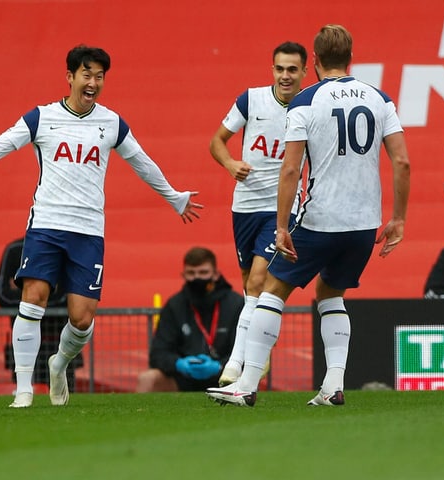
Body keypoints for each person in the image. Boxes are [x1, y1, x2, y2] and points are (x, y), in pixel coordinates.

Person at [0, 45, 203, 408]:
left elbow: (143, 163)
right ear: (69, 77)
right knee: (32, 297)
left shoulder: (112, 123)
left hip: (88, 232)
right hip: (47, 225)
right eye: (87, 74)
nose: (93, 83)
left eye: (99, 77)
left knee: (82, 319)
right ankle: (22, 390)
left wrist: (174, 197)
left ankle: (59, 363)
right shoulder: (42, 118)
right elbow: (0, 146)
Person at [206, 24, 411, 407]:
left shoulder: (306, 101)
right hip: (364, 223)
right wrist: (398, 219)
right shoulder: (379, 98)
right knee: (330, 293)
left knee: (271, 290)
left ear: (313, 62)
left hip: (319, 219)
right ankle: (333, 385)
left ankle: (245, 384)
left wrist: (282, 226)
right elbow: (401, 160)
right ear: (350, 57)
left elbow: (290, 169)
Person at [209, 41, 307, 386]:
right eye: (280, 69)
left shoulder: (310, 107)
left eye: (292, 69)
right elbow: (217, 141)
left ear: (304, 72)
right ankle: (258, 353)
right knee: (252, 286)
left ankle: (237, 364)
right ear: (272, 70)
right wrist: (230, 163)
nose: (285, 76)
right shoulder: (250, 100)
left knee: (258, 281)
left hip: (281, 209)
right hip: (244, 207)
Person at [136, 247, 244, 392]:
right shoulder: (174, 305)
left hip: (225, 377)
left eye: (203, 272)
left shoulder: (236, 304)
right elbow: (158, 354)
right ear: (183, 275)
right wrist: (178, 364)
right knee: (148, 378)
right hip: (182, 379)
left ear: (216, 274)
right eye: (191, 273)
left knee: (244, 376)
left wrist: (219, 366)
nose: (197, 278)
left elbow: (246, 354)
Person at [0, 237, 81, 390]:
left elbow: (65, 295)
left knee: (63, 392)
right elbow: (2, 296)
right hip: (23, 341)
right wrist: (36, 299)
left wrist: (28, 299)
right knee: (24, 390)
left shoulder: (62, 248)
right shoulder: (15, 249)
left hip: (57, 342)